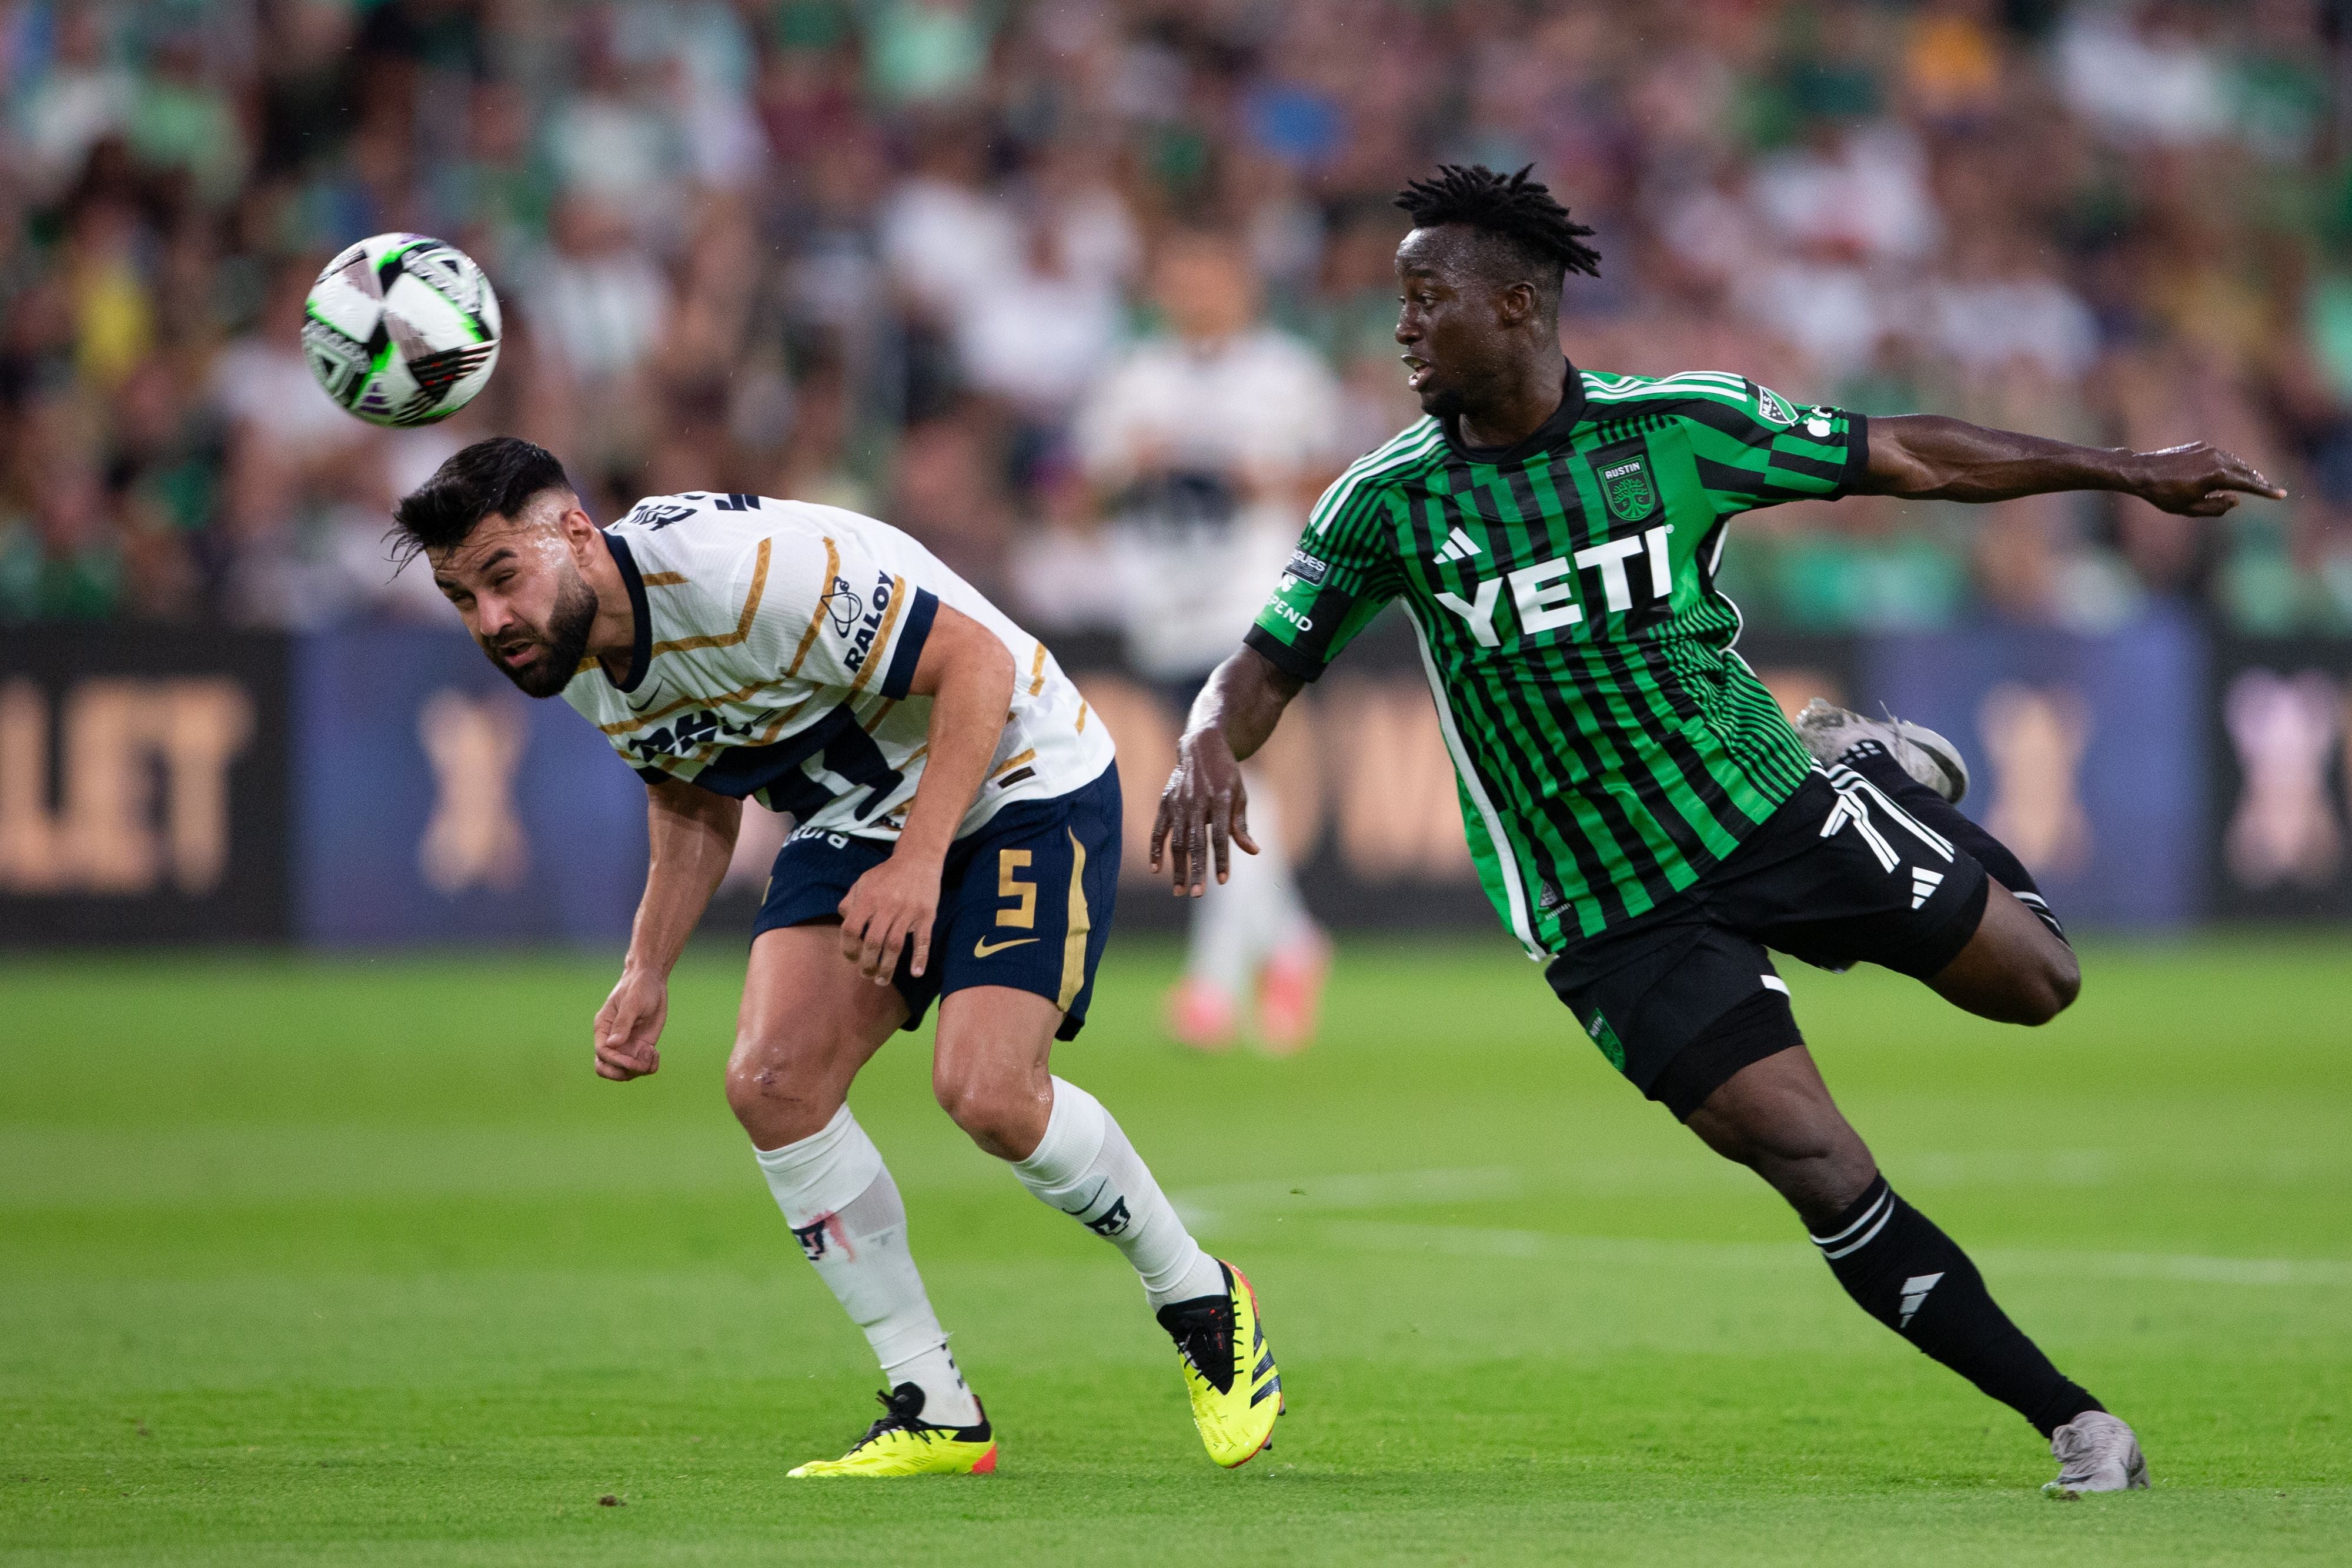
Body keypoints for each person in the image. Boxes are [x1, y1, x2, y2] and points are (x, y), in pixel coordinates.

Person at [1153, 165, 2286, 1497]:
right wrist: (1203, 742)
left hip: (1767, 808)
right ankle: (2076, 1422)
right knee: (1812, 1159)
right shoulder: (1386, 503)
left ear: (1515, 305)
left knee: (2039, 982)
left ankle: (1870, 773)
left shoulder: (1675, 427)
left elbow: (1901, 454)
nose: (1396, 328)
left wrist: (2126, 472)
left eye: (1422, 299)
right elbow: (1264, 662)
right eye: (1394, 303)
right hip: (1605, 909)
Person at [390, 437, 1282, 1476]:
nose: (493, 621)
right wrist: (648, 968)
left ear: (579, 536)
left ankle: (1199, 1300)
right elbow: (690, 795)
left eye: (505, 578)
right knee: (773, 1084)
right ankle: (933, 1404)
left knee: (988, 1093)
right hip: (859, 812)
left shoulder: (743, 572)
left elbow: (978, 666)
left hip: (1019, 772)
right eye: (465, 598)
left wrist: (918, 862)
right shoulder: (580, 663)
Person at [1074, 229, 1344, 1052]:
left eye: (1210, 277)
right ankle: (1292, 946)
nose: (1196, 295)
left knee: (1226, 769)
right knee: (1222, 779)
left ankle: (1213, 988)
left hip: (1254, 601)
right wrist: (1131, 471)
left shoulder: (1287, 374)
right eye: (1181, 278)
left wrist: (1269, 480)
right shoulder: (1133, 381)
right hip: (1165, 607)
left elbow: (1343, 478)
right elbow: (1084, 495)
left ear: (1243, 286)